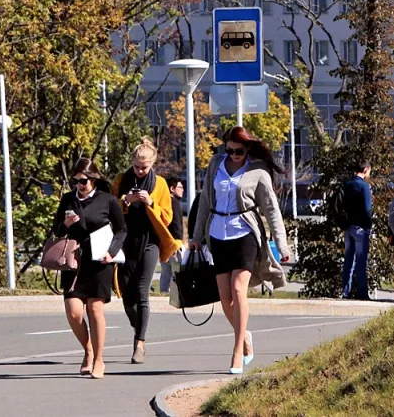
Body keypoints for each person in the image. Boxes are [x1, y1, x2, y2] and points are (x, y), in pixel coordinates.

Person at [191, 126, 291, 375]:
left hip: (245, 232)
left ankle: (237, 351)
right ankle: (244, 335)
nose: (234, 155)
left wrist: (282, 244)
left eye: (239, 151)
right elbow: (205, 200)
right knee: (225, 299)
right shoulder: (216, 164)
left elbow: (271, 208)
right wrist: (195, 237)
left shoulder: (257, 170)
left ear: (248, 150)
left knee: (238, 290)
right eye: (230, 150)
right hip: (217, 233)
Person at [53, 158, 126, 380]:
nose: (79, 186)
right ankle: (88, 349)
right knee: (74, 311)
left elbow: (122, 229)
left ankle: (99, 359)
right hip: (74, 262)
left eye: (83, 181)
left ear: (93, 179)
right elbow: (55, 231)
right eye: (75, 182)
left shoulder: (108, 200)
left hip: (100, 261)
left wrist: (111, 252)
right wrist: (65, 225)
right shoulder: (67, 200)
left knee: (95, 309)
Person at [112, 138, 182, 365]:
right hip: (125, 241)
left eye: (145, 167)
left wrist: (151, 202)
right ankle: (139, 323)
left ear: (152, 164)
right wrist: (126, 201)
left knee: (142, 291)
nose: (141, 171)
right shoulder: (121, 180)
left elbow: (168, 216)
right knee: (125, 293)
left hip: (150, 241)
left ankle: (139, 343)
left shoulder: (160, 184)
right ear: (132, 163)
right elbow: (111, 209)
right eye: (137, 167)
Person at [341, 160, 372, 300]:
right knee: (360, 260)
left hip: (348, 226)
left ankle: (345, 291)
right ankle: (362, 292)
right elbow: (367, 209)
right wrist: (369, 225)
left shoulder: (347, 185)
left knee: (348, 260)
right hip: (361, 227)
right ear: (365, 170)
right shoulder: (364, 187)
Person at [159, 177, 185, 293]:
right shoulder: (173, 202)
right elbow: (175, 224)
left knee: (166, 271)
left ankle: (164, 292)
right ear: (172, 188)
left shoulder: (164, 201)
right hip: (173, 243)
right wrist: (176, 242)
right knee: (177, 270)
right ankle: (176, 293)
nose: (182, 190)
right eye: (180, 187)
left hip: (164, 243)